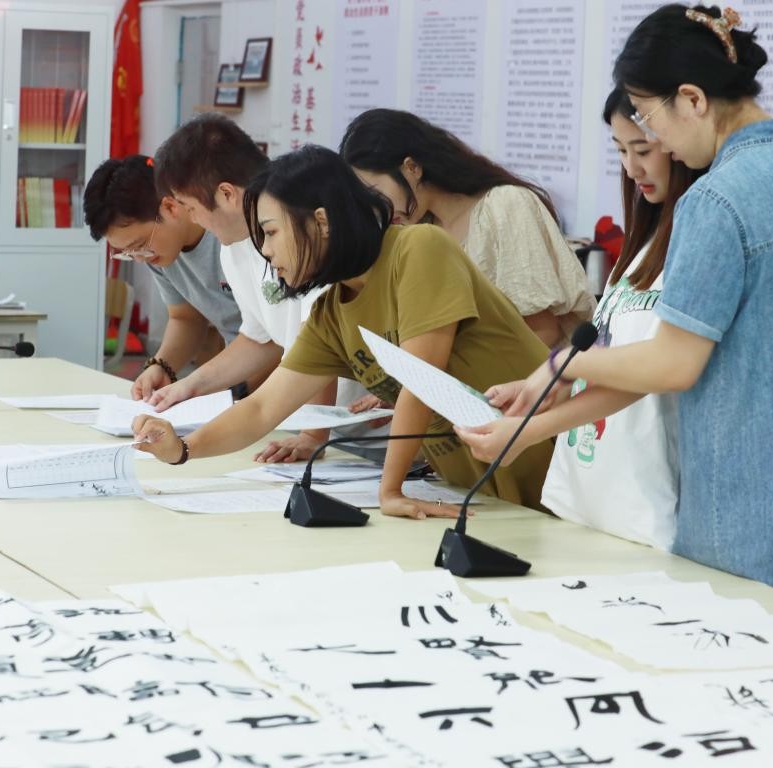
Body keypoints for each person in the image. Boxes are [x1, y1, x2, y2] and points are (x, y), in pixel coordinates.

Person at [484, 4, 773, 619]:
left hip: (751, 514)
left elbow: (673, 364)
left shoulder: (717, 199)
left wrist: (565, 364)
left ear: (693, 100)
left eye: (649, 118)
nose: (661, 145)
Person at [133, 145, 554, 518]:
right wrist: (182, 449)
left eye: (272, 232)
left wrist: (390, 491)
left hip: (547, 472)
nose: (266, 250)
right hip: (478, 491)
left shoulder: (418, 249)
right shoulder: (331, 312)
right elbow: (262, 408)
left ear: (321, 221)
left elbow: (420, 381)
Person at [458, 88, 703, 551]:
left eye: (643, 150)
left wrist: (531, 425)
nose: (632, 168)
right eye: (621, 151)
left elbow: (650, 374)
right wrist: (539, 390)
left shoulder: (696, 247)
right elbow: (609, 353)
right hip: (590, 496)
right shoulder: (643, 247)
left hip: (649, 508)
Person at [150, 114, 336, 463]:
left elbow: (321, 343)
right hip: (309, 423)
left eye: (191, 208)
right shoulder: (233, 247)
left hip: (343, 424)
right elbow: (259, 338)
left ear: (226, 194)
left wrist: (314, 434)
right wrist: (190, 385)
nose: (193, 219)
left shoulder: (301, 238)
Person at [339, 108, 593, 347]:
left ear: (412, 168)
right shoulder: (417, 230)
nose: (377, 209)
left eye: (376, 193)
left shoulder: (504, 205)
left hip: (529, 377)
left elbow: (543, 332)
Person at [84, 155, 255, 400]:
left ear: (170, 208)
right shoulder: (160, 254)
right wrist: (161, 366)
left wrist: (223, 390)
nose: (140, 258)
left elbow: (270, 336)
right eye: (128, 253)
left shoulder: (230, 234)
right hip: (242, 378)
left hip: (280, 375)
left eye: (139, 245)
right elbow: (186, 318)